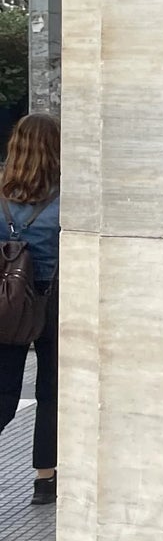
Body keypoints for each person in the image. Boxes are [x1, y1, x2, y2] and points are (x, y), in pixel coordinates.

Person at [0, 112, 61, 506]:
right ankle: (44, 478)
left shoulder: (2, 193)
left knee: (4, 389)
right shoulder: (67, 196)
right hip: (55, 301)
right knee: (52, 391)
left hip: (8, 303)